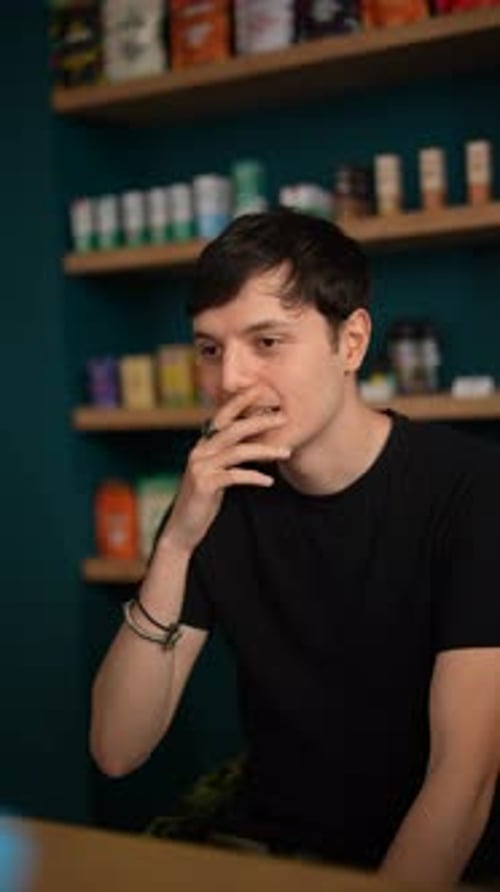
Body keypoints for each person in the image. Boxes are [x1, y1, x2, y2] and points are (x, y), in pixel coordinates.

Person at [90, 208, 500, 884]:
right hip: (278, 850)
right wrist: (176, 545)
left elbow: (465, 782)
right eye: (210, 349)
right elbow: (115, 747)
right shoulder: (213, 497)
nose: (231, 382)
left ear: (351, 342)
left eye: (268, 342)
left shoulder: (473, 492)